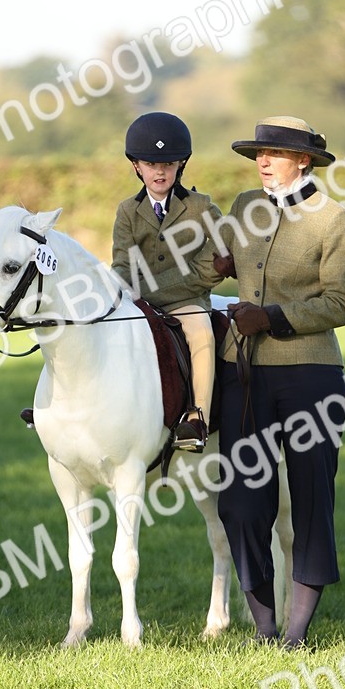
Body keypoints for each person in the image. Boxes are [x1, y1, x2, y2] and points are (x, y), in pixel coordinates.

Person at [213, 115, 345, 647]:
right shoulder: (243, 208)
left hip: (311, 376)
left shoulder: (333, 219)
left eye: (273, 153)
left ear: (304, 160)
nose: (263, 160)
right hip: (244, 374)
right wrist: (225, 266)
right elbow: (237, 263)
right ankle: (264, 630)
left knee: (311, 499)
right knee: (240, 502)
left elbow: (341, 303)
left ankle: (296, 634)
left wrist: (272, 317)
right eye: (258, 152)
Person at [112, 111, 223, 451]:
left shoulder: (201, 207)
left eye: (169, 164)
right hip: (139, 303)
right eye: (151, 164)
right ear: (137, 166)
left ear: (181, 165)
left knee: (201, 330)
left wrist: (188, 281)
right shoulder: (127, 211)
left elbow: (221, 256)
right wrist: (125, 295)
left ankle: (197, 418)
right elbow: (122, 263)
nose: (160, 172)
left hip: (186, 302)